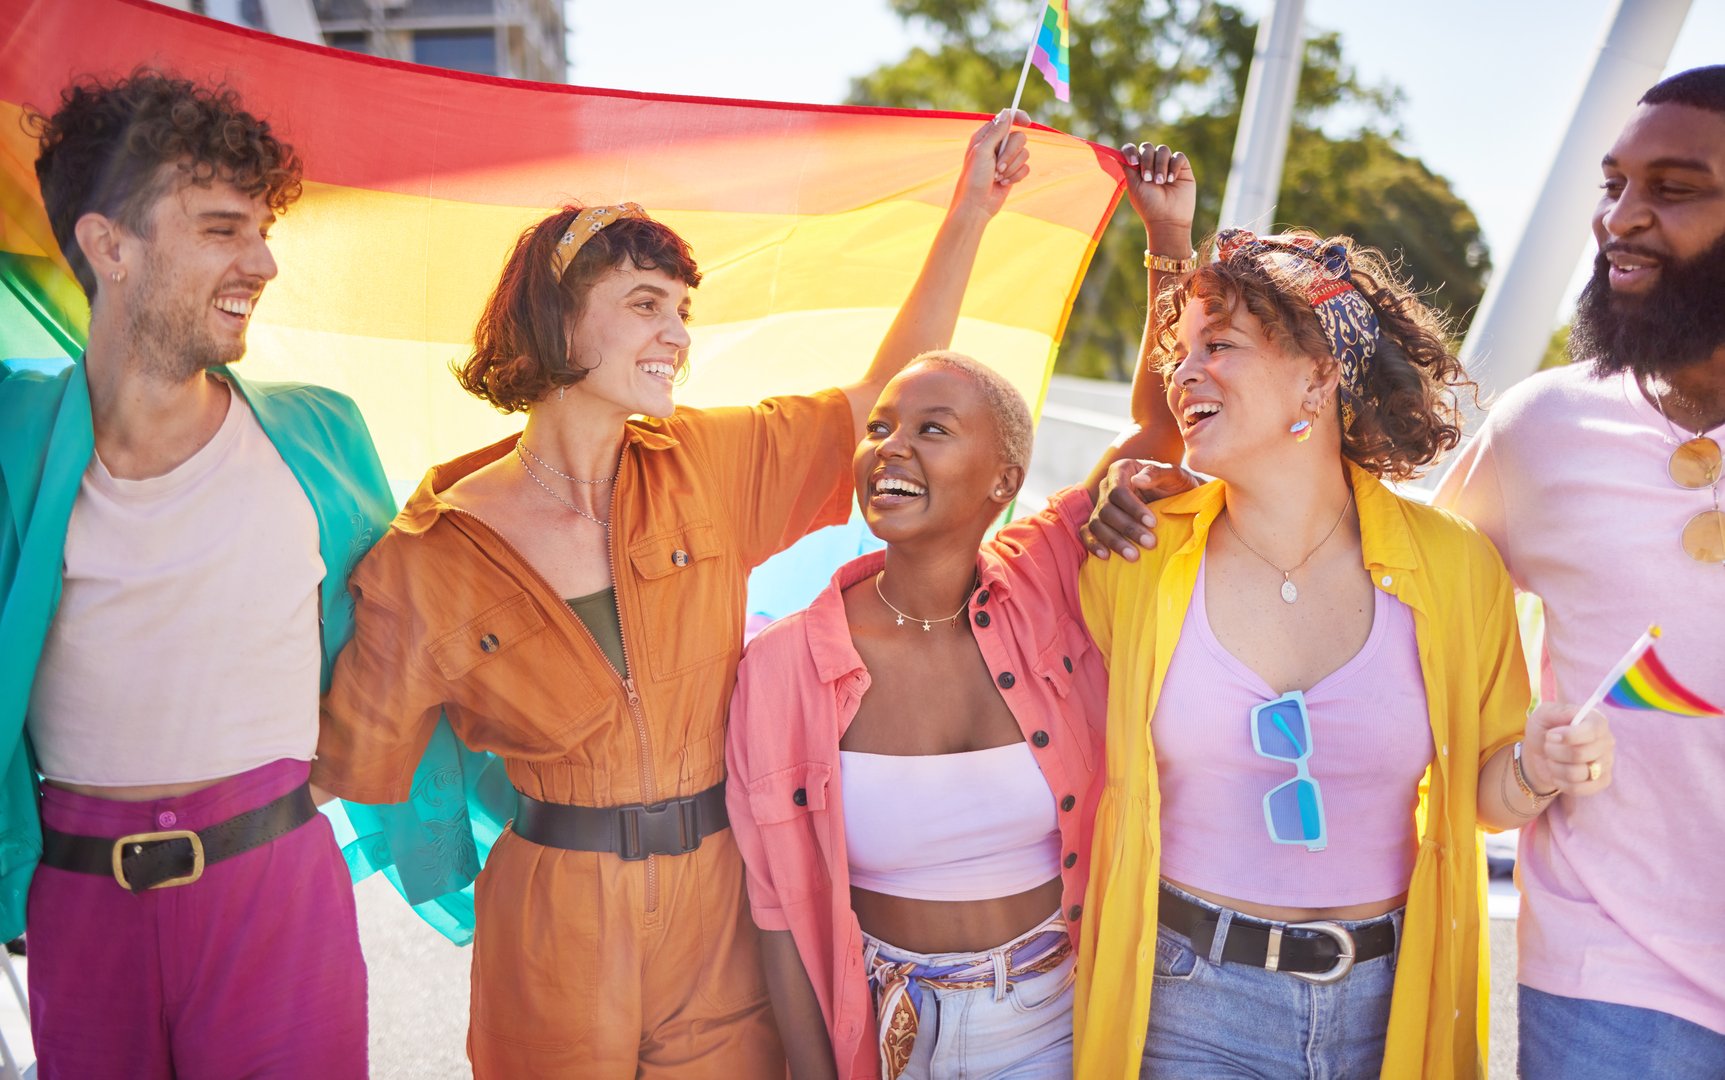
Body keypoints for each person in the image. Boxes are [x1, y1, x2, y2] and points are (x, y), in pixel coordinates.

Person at [311, 113, 1031, 1077]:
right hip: (554, 925)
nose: (676, 336)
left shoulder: (707, 463)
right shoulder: (426, 555)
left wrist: (971, 210)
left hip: (723, 909)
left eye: (684, 311)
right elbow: (341, 768)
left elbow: (877, 400)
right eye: (647, 304)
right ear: (557, 316)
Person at [1069, 148, 1615, 1078]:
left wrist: (1536, 765)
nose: (1183, 373)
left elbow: (1482, 792)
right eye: (1181, 351)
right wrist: (1167, 241)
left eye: (1220, 346)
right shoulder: (1135, 553)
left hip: (1388, 1003)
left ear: (1318, 380)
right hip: (1183, 1000)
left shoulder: (1451, 568)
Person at [0, 71, 391, 1076]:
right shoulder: (12, 437)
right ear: (108, 245)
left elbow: (428, 623)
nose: (262, 261)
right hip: (78, 910)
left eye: (264, 231)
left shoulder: (320, 435)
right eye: (222, 228)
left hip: (275, 894)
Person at [1434, 66, 1725, 1079]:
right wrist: (1173, 490)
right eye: (1614, 185)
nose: (1622, 220)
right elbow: (1394, 592)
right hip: (1613, 976)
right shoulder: (1545, 426)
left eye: (1675, 188)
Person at [726, 352, 1107, 1080]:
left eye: (931, 428)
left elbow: (1158, 429)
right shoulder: (784, 665)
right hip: (882, 1028)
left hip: (1057, 1018)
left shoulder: (1046, 586)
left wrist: (1164, 238)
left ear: (1004, 480)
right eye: (878, 427)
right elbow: (777, 909)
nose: (889, 446)